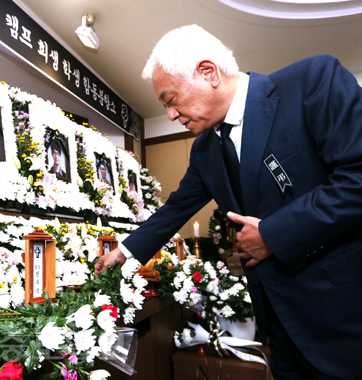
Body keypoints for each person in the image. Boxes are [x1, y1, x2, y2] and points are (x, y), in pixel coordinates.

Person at [95, 24, 362, 379]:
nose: (171, 115)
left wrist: (274, 234)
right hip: (279, 325)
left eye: (171, 101)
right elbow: (176, 208)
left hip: (342, 316)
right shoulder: (206, 149)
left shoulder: (312, 81)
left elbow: (356, 176)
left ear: (209, 73)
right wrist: (123, 252)